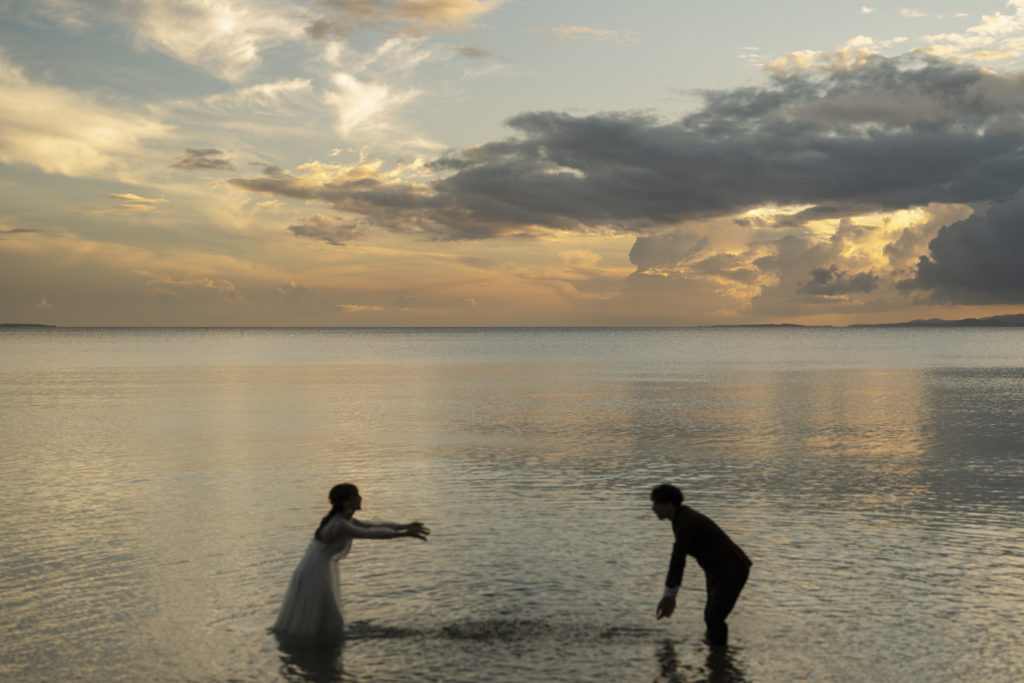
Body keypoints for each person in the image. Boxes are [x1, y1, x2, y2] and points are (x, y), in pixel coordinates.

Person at [273, 483, 429, 642]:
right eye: (356, 496)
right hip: (313, 573)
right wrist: (403, 535)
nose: (360, 498)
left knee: (327, 620)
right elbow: (368, 533)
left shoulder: (345, 519)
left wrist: (405, 526)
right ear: (346, 502)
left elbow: (373, 525)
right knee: (330, 620)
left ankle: (319, 654)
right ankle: (316, 651)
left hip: (317, 569)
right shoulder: (339, 524)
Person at [651, 483, 751, 646]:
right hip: (717, 571)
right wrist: (670, 594)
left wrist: (669, 595)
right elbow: (678, 559)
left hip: (732, 570)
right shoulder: (681, 518)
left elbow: (678, 559)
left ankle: (719, 656)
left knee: (714, 618)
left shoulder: (686, 521)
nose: (653, 508)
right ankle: (716, 658)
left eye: (656, 503)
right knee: (710, 616)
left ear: (669, 504)